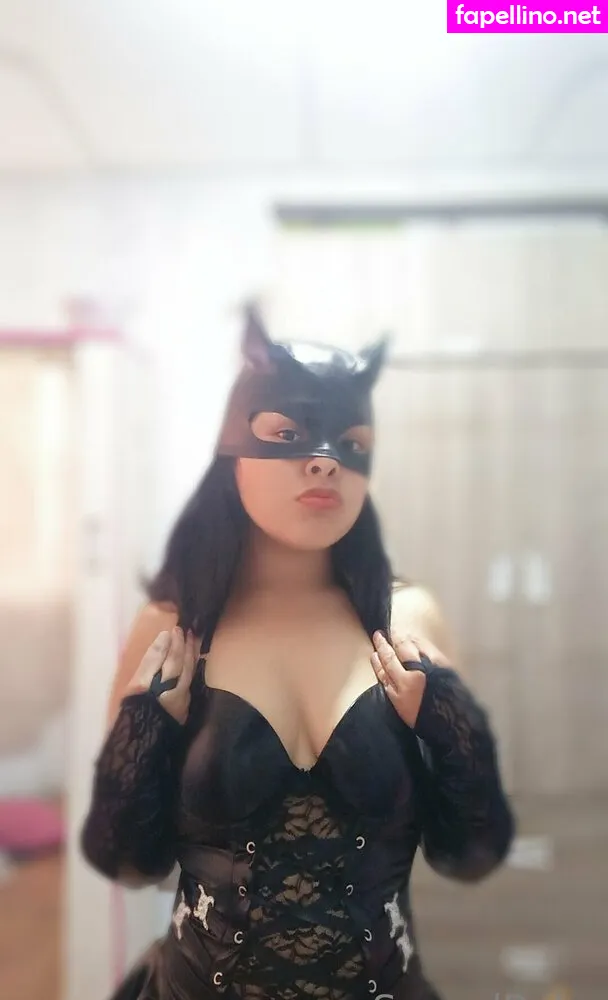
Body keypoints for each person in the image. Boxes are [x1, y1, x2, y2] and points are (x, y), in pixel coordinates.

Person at [81, 308, 515, 1000]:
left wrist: (451, 722)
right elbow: (127, 863)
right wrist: (144, 731)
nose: (325, 460)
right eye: (288, 433)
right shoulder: (172, 629)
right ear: (234, 450)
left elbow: (471, 856)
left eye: (352, 442)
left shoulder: (409, 620)